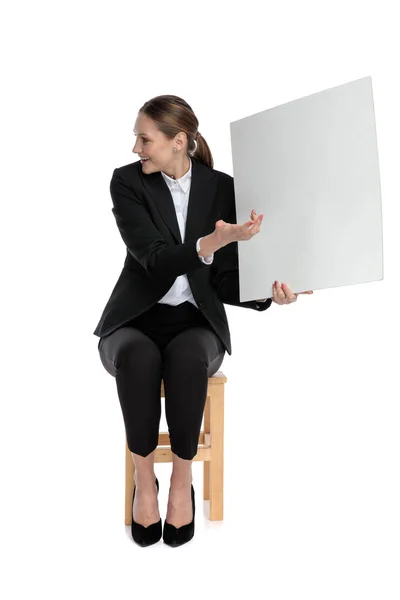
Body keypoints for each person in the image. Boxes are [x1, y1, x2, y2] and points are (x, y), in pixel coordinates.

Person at [93, 95, 313, 547]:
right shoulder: (127, 183)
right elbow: (153, 260)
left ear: (178, 142)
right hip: (135, 318)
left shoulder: (222, 188)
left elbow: (227, 280)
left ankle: (179, 482)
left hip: (195, 323)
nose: (136, 148)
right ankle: (144, 481)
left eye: (144, 138)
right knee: (137, 357)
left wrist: (270, 296)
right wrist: (206, 243)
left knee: (188, 358)